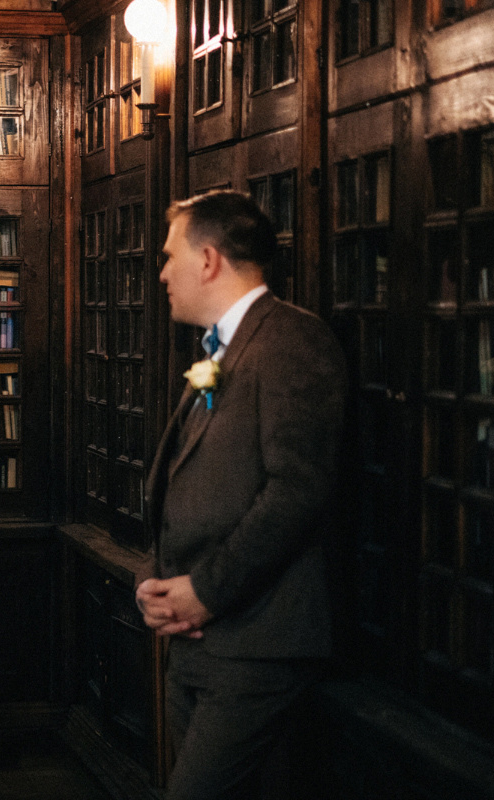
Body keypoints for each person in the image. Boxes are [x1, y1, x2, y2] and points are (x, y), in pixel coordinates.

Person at [136, 190, 347, 800]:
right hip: (197, 637)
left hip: (255, 640)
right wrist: (160, 582)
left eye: (170, 255)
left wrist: (205, 591)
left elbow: (296, 493)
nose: (162, 272)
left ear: (208, 260)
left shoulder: (290, 342)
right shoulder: (221, 348)